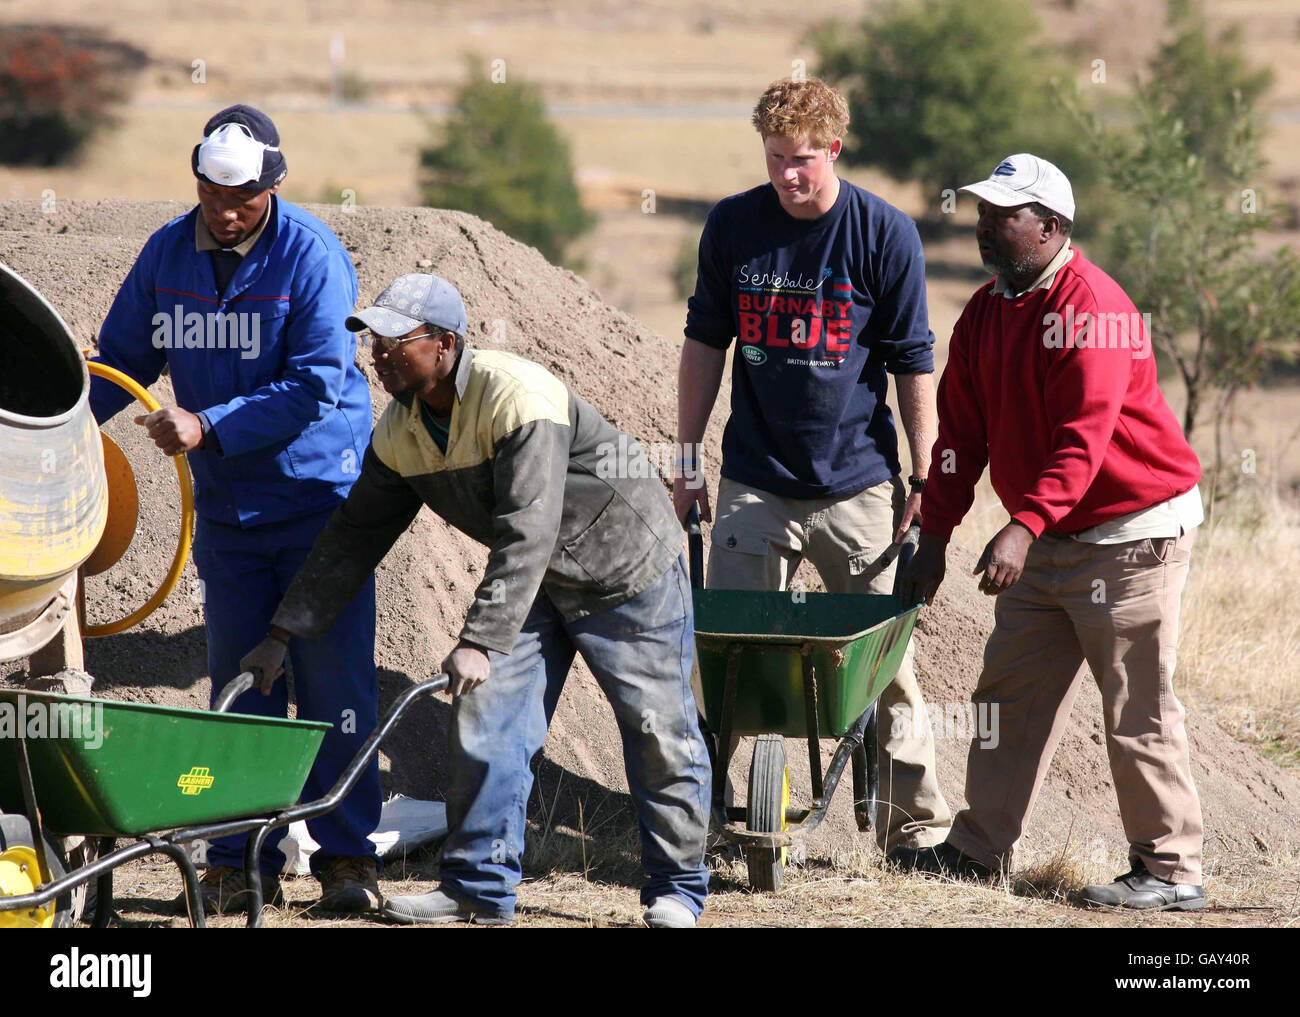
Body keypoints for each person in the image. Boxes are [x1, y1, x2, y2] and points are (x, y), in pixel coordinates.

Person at [240, 274, 713, 928]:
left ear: (444, 345)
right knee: (486, 717)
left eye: (391, 341)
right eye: (371, 341)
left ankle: (677, 890)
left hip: (624, 567)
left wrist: (480, 641)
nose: (376, 354)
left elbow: (529, 525)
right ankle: (478, 889)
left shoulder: (516, 396)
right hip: (535, 582)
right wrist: (282, 634)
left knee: (657, 727)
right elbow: (350, 539)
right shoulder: (402, 432)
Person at [89, 105, 382, 914]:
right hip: (228, 514)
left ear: (273, 187)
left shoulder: (311, 256)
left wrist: (207, 424)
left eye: (242, 200)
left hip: (317, 503)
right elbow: (117, 360)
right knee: (238, 690)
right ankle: (236, 859)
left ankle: (348, 860)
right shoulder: (167, 253)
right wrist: (52, 422)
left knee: (334, 685)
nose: (224, 214)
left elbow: (319, 384)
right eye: (211, 197)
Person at [897, 154, 1206, 911]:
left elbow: (1083, 439)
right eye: (984, 210)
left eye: (1006, 212)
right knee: (1007, 697)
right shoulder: (984, 312)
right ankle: (977, 849)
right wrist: (934, 533)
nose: (985, 222)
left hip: (1129, 535)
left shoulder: (1091, 306)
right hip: (1048, 537)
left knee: (1136, 705)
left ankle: (1170, 870)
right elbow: (959, 437)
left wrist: (1021, 525)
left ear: (1052, 227)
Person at [675, 76, 952, 855]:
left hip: (859, 483)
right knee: (727, 658)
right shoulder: (733, 226)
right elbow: (704, 341)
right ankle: (699, 819)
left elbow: (912, 359)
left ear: (834, 148)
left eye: (802, 159)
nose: (788, 175)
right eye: (774, 159)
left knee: (884, 664)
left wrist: (925, 474)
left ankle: (916, 832)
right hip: (754, 483)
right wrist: (684, 458)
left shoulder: (884, 233)